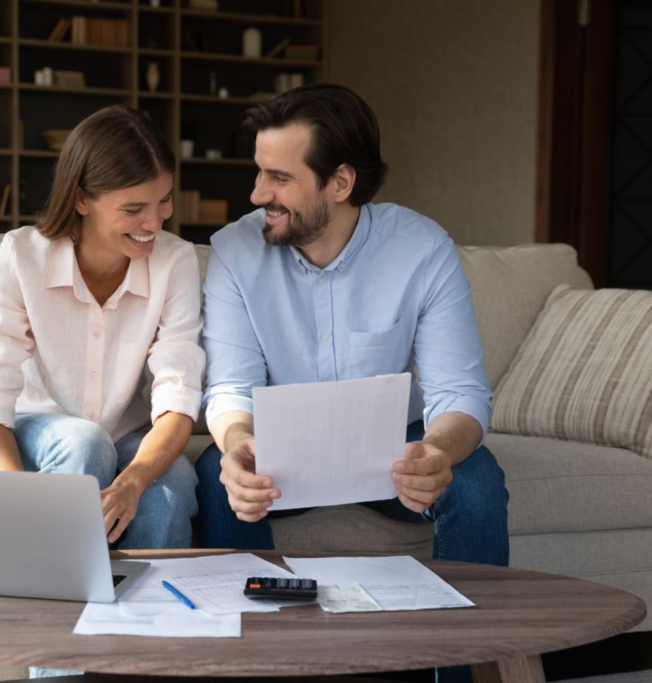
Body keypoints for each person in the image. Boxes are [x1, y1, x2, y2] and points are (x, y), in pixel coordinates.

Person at [195, 84, 509, 567]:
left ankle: (477, 640)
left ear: (340, 183)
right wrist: (239, 442)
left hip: (392, 451)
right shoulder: (235, 252)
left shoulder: (422, 250)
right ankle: (250, 636)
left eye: (279, 177)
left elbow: (460, 392)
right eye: (259, 172)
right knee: (217, 473)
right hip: (281, 449)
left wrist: (438, 452)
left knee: (478, 482)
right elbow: (232, 387)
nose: (258, 194)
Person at [0, 105, 204, 551]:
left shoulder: (176, 261)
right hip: (21, 430)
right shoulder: (21, 257)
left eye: (164, 200)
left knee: (173, 482)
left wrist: (132, 482)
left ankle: (150, 615)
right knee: (84, 442)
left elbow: (179, 389)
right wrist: (14, 495)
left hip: (122, 435)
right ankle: (57, 604)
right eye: (133, 209)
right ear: (81, 199)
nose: (155, 222)